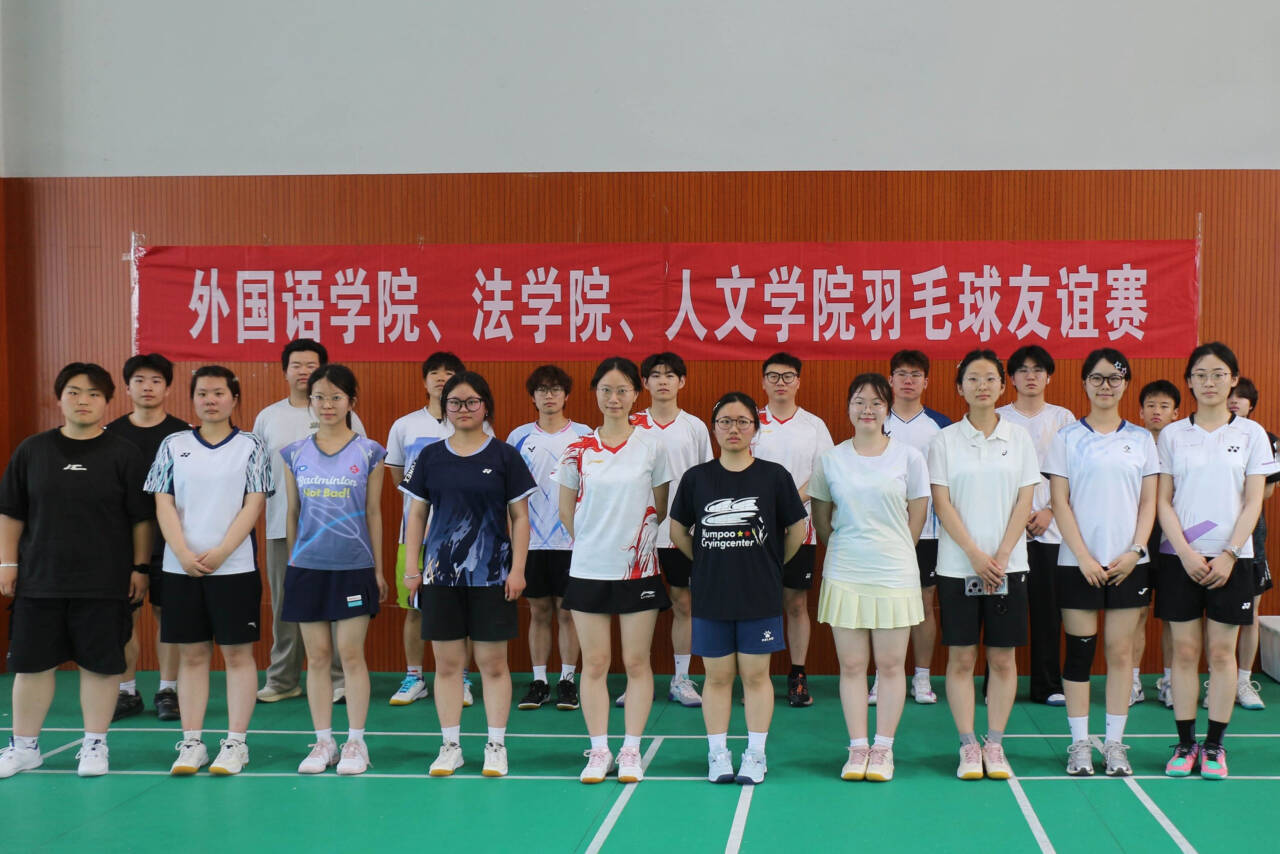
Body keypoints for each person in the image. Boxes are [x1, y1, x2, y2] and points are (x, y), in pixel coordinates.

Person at [0, 363, 152, 779]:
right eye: (73, 392)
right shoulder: (32, 450)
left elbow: (141, 519)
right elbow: (11, 512)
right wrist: (7, 563)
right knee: (31, 667)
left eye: (93, 394)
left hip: (104, 582)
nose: (83, 401)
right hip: (40, 579)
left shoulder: (124, 454)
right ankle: (24, 748)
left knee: (101, 666)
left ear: (107, 402)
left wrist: (140, 567)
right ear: (59, 398)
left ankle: (95, 744)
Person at [401, 371, 535, 778]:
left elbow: (520, 517)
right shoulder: (430, 457)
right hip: (440, 579)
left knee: (492, 663)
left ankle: (496, 745)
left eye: (472, 401)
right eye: (454, 402)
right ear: (445, 409)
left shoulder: (504, 456)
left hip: (492, 577)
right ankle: (450, 746)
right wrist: (412, 568)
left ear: (485, 406)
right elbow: (417, 514)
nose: (463, 409)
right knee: (447, 665)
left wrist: (517, 570)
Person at [670, 392, 807, 785]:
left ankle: (755, 754)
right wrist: (705, 560)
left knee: (756, 676)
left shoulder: (774, 476)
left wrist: (772, 563)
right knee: (716, 677)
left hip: (759, 594)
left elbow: (796, 530)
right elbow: (678, 531)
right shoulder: (696, 478)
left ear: (755, 428)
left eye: (742, 421)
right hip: (712, 594)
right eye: (725, 421)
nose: (734, 428)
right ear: (714, 429)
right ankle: (717, 753)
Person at [1157, 343, 1277, 780]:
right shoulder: (1172, 435)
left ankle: (1214, 746)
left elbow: (1253, 501)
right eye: (1201, 374)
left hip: (1234, 559)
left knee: (1222, 653)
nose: (1209, 382)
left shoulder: (1251, 433)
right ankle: (1185, 744)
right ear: (1189, 381)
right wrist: (1186, 553)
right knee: (1186, 652)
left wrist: (1229, 553)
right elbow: (1163, 501)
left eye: (1218, 374)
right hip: (1180, 558)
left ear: (1233, 380)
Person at [146, 366, 272, 776]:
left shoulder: (252, 446)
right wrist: (182, 553)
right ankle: (192, 742)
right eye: (202, 393)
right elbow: (163, 502)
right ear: (193, 399)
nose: (210, 400)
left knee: (237, 655)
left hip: (234, 568)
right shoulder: (173, 444)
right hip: (180, 569)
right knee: (193, 655)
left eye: (219, 393)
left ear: (234, 399)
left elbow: (254, 503)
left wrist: (221, 552)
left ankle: (236, 743)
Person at [554, 357, 671, 784]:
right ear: (596, 394)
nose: (614, 398)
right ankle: (600, 749)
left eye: (622, 390)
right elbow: (566, 511)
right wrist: (594, 542)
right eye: (606, 389)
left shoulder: (652, 446)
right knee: (596, 662)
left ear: (636, 394)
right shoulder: (577, 449)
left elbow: (659, 505)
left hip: (638, 570)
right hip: (589, 569)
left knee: (637, 661)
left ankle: (631, 749)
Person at [1044, 349, 1158, 777]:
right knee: (1079, 654)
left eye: (1114, 378)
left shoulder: (1142, 440)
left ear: (1125, 384)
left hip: (1129, 563)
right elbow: (1059, 502)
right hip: (1077, 564)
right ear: (1085, 383)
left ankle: (1113, 744)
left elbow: (1148, 502)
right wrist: (1083, 558)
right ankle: (1079, 744)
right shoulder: (1067, 438)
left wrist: (1135, 551)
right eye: (1097, 378)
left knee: (1120, 653)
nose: (1105, 385)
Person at [811, 374, 929, 783]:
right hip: (845, 571)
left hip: (894, 572)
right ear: (848, 407)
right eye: (859, 401)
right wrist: (849, 549)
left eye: (877, 402)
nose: (867, 409)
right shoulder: (830, 459)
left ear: (887, 409)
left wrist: (894, 550)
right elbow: (822, 520)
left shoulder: (909, 457)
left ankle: (883, 749)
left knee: (892, 665)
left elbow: (917, 515)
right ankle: (858, 747)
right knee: (852, 665)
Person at [928, 349, 1039, 780]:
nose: (982, 386)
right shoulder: (944, 441)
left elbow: (1025, 500)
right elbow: (942, 503)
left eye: (990, 378)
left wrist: (1003, 554)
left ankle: (994, 743)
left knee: (1003, 660)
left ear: (1002, 385)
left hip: (1009, 567)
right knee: (960, 659)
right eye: (972, 379)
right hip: (958, 567)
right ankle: (968, 745)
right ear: (960, 388)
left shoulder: (1019, 439)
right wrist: (975, 555)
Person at [282, 365, 387, 776]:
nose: (327, 405)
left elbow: (374, 512)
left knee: (350, 654)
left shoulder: (370, 452)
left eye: (336, 397)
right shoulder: (294, 453)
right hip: (307, 568)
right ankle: (323, 741)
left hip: (354, 567)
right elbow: (292, 512)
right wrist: (294, 562)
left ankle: (356, 742)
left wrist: (378, 569)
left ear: (351, 402)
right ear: (310, 402)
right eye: (320, 397)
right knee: (318, 657)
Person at [254, 339, 365, 705]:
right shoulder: (268, 417)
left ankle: (338, 679)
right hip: (281, 526)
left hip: (338, 529)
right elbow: (257, 473)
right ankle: (283, 679)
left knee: (337, 607)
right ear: (285, 371)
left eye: (310, 365)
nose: (303, 371)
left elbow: (362, 470)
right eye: (296, 365)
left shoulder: (344, 413)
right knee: (287, 605)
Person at [385, 351, 490, 707]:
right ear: (424, 380)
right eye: (434, 372)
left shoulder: (476, 423)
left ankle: (462, 677)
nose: (442, 378)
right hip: (415, 537)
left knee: (465, 610)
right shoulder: (404, 426)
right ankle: (414, 677)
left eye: (449, 372)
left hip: (465, 539)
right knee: (414, 608)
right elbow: (399, 479)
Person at [624, 351, 713, 708]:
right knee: (636, 610)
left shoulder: (695, 427)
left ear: (682, 382)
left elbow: (707, 479)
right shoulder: (630, 423)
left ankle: (681, 679)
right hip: (637, 534)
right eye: (656, 375)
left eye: (670, 375)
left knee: (683, 603)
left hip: (680, 532)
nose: (663, 381)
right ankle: (636, 681)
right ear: (644, 383)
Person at [106, 353, 189, 723]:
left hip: (173, 540)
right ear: (127, 388)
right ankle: (126, 691)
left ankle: (168, 690)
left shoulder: (184, 435)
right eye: (139, 380)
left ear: (168, 388)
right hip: (121, 542)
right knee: (124, 616)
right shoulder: (109, 434)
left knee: (168, 616)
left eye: (156, 380)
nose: (148, 387)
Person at [752, 352, 834, 707]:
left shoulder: (814, 426)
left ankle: (798, 675)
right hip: (755, 529)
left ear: (798, 382)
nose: (781, 382)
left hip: (802, 527)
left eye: (788, 376)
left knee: (796, 602)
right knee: (759, 603)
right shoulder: (750, 421)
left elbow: (823, 474)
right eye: (773, 376)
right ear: (763, 382)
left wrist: (786, 505)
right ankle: (757, 678)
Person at [509, 365, 591, 712]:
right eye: (542, 390)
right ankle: (540, 680)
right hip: (531, 541)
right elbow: (510, 495)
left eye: (556, 389)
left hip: (573, 541)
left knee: (568, 613)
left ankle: (568, 681)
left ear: (566, 395)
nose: (549, 396)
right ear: (533, 396)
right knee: (539, 611)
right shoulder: (518, 437)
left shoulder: (585, 436)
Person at [996, 345, 1074, 706]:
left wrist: (1050, 512)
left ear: (1048, 377)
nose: (1031, 376)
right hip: (1004, 531)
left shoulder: (1063, 418)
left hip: (1050, 530)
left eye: (1038, 370)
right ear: (1010, 379)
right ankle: (997, 685)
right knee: (1002, 611)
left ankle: (1047, 685)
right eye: (1023, 370)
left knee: (1048, 613)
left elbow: (1073, 474)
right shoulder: (997, 417)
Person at [884, 349, 952, 706]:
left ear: (926, 381)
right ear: (890, 380)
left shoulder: (942, 426)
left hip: (929, 531)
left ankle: (921, 677)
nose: (908, 381)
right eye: (901, 374)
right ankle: (883, 676)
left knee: (925, 601)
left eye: (915, 375)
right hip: (884, 530)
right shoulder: (876, 420)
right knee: (884, 602)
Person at [1225, 377, 1279, 710]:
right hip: (1210, 534)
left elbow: (1267, 491)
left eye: (1241, 397)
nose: (1234, 401)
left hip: (1252, 535)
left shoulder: (1266, 439)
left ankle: (1243, 681)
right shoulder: (1205, 435)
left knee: (1250, 611)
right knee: (1215, 614)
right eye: (1231, 395)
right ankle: (1220, 680)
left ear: (1251, 404)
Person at [1136, 380, 1181, 708]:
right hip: (1137, 539)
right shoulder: (1132, 444)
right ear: (1140, 411)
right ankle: (1132, 681)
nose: (1157, 411)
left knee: (1173, 617)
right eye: (1151, 405)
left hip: (1173, 541)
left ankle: (1169, 680)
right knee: (1135, 614)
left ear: (1175, 413)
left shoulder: (1182, 446)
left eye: (1164, 406)